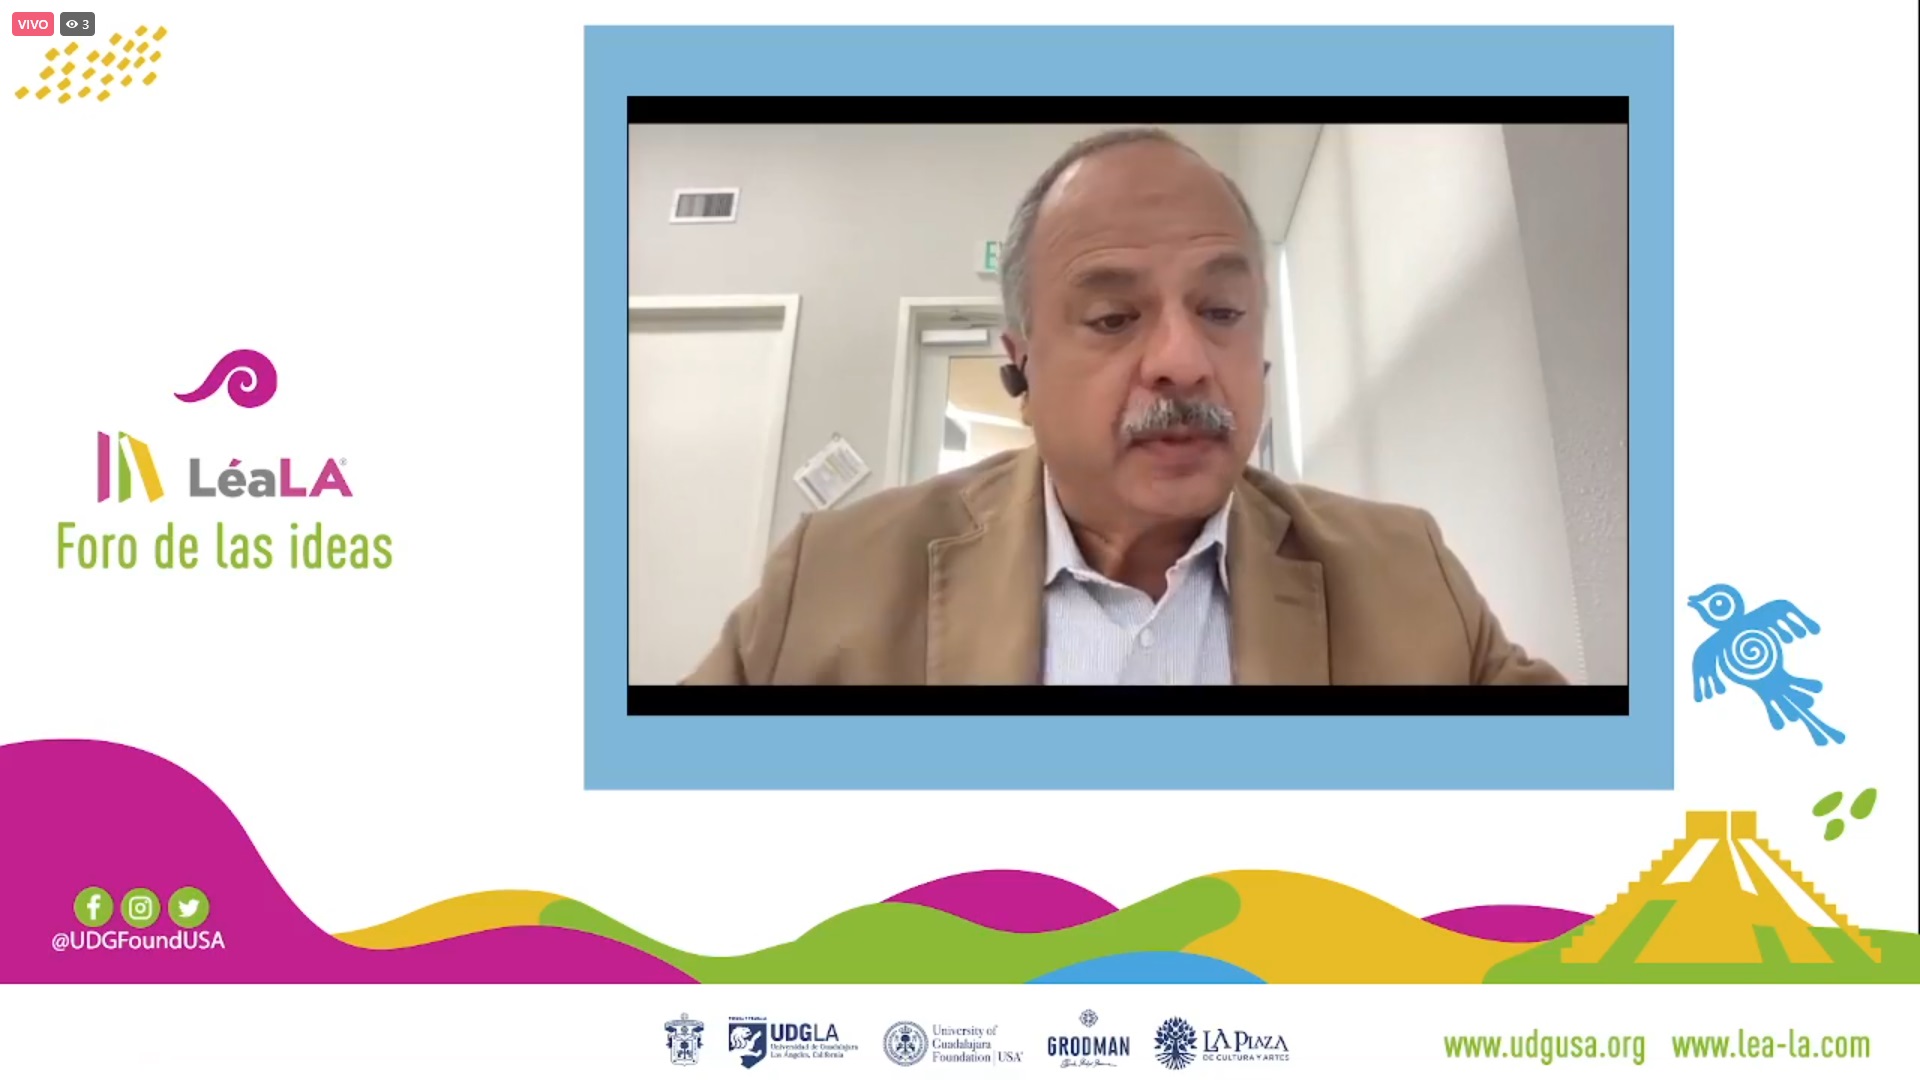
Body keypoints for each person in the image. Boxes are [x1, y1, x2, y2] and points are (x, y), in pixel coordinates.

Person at [683, 127, 1566, 686]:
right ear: (1022, 371)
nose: (1184, 361)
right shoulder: (828, 584)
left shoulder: (1409, 576)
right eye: (1113, 318)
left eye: (1222, 312)